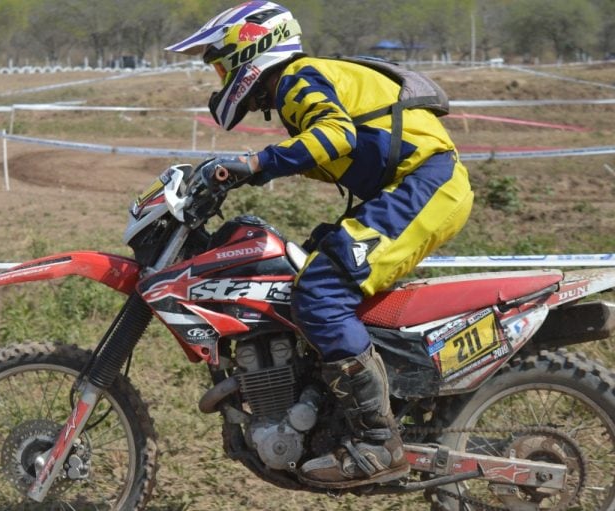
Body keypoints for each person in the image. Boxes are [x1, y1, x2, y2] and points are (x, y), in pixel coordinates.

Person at [166, 1, 473, 488]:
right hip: (411, 186)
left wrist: (256, 163)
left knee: (322, 292)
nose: (223, 76)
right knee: (302, 275)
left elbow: (335, 135)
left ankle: (379, 443)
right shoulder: (300, 86)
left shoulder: (298, 78)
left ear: (254, 50)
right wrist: (246, 172)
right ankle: (327, 409)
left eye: (224, 63)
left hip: (424, 184)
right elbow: (339, 145)